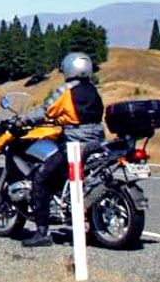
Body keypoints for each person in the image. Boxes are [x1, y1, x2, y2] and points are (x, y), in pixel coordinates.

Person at [22, 52, 105, 247]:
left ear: (69, 68)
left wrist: (23, 119)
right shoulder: (93, 90)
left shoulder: (67, 90)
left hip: (75, 143)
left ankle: (42, 233)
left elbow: (46, 111)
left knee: (41, 179)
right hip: (96, 142)